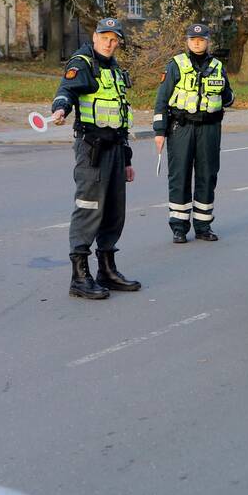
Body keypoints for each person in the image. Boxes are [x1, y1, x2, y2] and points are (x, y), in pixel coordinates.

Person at [50, 17, 142, 299]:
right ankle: (79, 275)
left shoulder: (114, 70)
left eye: (115, 39)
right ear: (95, 36)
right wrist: (60, 110)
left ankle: (107, 269)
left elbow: (120, 116)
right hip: (91, 148)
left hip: (115, 148)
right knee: (89, 208)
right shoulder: (83, 63)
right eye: (105, 37)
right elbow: (66, 91)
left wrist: (126, 159)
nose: (110, 43)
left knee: (114, 210)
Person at [153, 23, 234, 244]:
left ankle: (203, 226)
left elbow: (229, 97)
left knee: (207, 175)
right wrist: (159, 131)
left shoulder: (218, 67)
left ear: (208, 41)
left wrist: (219, 92)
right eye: (193, 39)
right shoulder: (176, 65)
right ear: (187, 41)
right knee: (179, 176)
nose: (197, 42)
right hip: (181, 127)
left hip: (209, 128)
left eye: (201, 39)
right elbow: (161, 100)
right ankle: (179, 228)